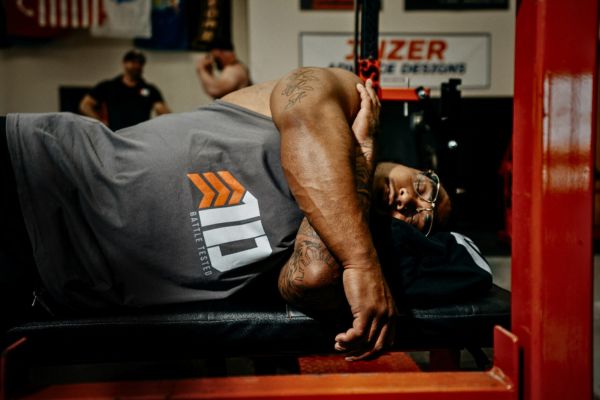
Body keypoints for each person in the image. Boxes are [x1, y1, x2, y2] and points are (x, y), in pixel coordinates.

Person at [2, 67, 455, 361]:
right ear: (413, 164)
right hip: (35, 174)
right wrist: (360, 260)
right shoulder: (349, 98)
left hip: (44, 280)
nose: (410, 202)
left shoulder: (342, 238)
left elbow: (310, 277)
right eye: (421, 187)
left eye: (422, 217)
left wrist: (360, 164)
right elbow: (302, 113)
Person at [79, 49, 171, 131]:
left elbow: (162, 110)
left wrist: (162, 126)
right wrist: (100, 124)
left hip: (141, 139)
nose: (137, 65)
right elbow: (85, 105)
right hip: (116, 137)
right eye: (133, 62)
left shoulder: (150, 89)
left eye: (140, 63)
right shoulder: (109, 86)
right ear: (124, 63)